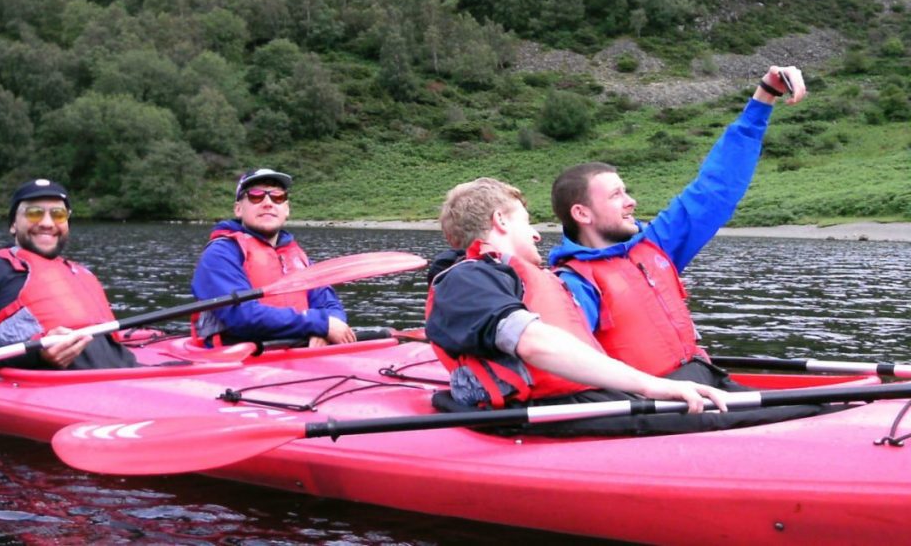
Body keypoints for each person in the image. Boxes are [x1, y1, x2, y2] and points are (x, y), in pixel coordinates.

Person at [548, 66, 807, 388]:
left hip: (701, 381)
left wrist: (764, 95)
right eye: (616, 195)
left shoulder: (656, 245)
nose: (631, 202)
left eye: (626, 191)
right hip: (654, 404)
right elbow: (560, 355)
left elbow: (716, 187)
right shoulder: (572, 285)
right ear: (582, 214)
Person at [425, 177, 731, 433]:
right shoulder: (466, 279)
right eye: (527, 222)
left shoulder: (507, 276)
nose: (535, 234)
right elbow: (533, 344)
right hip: (545, 413)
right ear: (501, 220)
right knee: (741, 417)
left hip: (583, 399)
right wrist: (651, 386)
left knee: (736, 404)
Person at [0, 179, 137, 370]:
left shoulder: (82, 274)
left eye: (58, 214)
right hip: (65, 386)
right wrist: (36, 354)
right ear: (13, 224)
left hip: (126, 374)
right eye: (34, 213)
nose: (47, 223)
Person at [190, 168, 355, 348]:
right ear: (238, 209)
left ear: (286, 209)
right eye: (255, 195)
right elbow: (243, 317)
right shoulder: (220, 254)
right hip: (238, 361)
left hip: (297, 353)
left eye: (277, 197)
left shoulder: (298, 256)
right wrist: (318, 324)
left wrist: (327, 329)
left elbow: (330, 305)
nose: (268, 203)